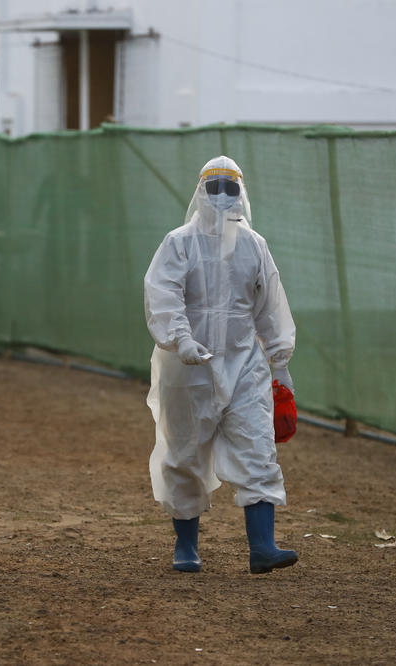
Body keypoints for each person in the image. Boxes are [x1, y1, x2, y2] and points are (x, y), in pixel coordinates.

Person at [143, 155, 298, 574]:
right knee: (185, 453)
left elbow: (270, 307)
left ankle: (262, 547)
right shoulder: (179, 242)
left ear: (242, 193)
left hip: (244, 364)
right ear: (200, 191)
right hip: (188, 368)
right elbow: (163, 292)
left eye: (232, 187)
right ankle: (186, 546)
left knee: (258, 447)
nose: (224, 196)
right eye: (216, 187)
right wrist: (181, 338)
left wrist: (279, 366)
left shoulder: (254, 245)